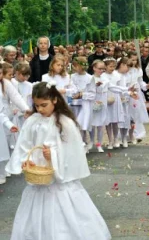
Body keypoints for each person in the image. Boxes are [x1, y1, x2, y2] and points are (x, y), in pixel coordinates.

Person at [5, 82, 111, 240]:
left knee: (63, 216)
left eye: (44, 105)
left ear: (54, 100)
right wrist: (27, 159)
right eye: (37, 105)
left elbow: (71, 150)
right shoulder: (33, 120)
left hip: (59, 179)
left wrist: (53, 155)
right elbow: (25, 144)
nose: (40, 109)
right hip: (38, 178)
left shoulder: (64, 123)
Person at [70, 57, 96, 152]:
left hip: (84, 105)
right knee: (75, 125)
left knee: (82, 125)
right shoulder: (72, 77)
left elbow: (93, 94)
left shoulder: (90, 78)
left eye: (76, 66)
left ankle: (83, 143)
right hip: (73, 104)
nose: (74, 67)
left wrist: (82, 94)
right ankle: (77, 144)